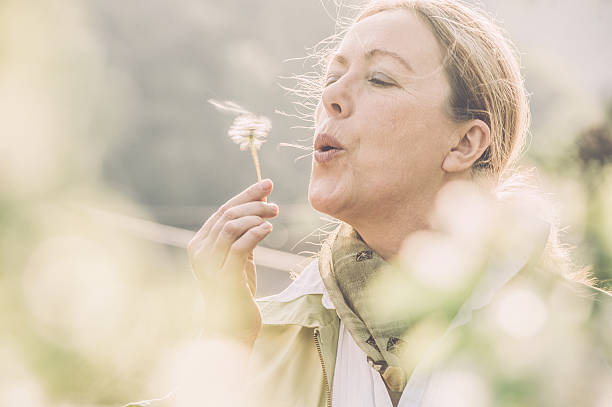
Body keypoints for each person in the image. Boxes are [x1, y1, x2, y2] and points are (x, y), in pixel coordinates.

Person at [131, 1, 611, 406]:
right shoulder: (260, 342)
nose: (332, 96)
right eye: (332, 77)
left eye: (380, 79)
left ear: (465, 144)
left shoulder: (592, 346)